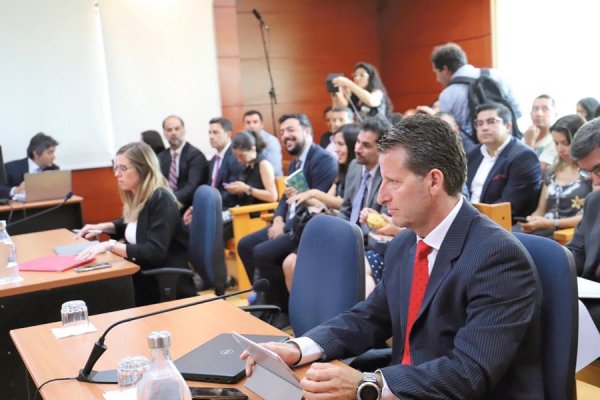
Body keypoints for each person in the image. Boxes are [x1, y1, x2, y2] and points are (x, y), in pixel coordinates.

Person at [242, 114, 543, 399]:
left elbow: (469, 373)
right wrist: (299, 347)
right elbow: (369, 317)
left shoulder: (498, 257)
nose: (382, 196)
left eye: (393, 182)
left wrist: (367, 385)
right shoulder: (405, 244)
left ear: (434, 181)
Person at [237, 113, 337, 325]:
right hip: (288, 223)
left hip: (305, 228)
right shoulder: (295, 161)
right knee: (245, 245)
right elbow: (285, 196)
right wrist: (278, 219)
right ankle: (265, 298)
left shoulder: (323, 160)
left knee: (263, 252)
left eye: (291, 130)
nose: (285, 135)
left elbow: (317, 204)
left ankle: (281, 308)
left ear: (307, 131)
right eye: (282, 132)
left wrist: (286, 225)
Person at [76, 142, 194, 306]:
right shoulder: (140, 197)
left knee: (98, 292)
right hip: (142, 274)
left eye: (123, 168)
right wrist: (102, 227)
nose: (117, 174)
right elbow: (131, 226)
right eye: (116, 168)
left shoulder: (161, 199)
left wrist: (110, 245)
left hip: (160, 282)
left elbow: (154, 251)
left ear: (143, 168)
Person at [282, 123, 360, 290]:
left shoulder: (359, 172)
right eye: (335, 144)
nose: (336, 149)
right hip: (330, 224)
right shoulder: (341, 170)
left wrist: (313, 193)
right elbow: (326, 202)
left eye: (341, 144)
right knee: (289, 264)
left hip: (343, 230)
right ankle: (296, 312)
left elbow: (345, 204)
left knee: (298, 265)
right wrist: (302, 196)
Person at [431, 42, 521, 142]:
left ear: (445, 69)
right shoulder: (496, 75)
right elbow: (517, 111)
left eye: (436, 72)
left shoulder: (447, 95)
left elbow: (447, 133)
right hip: (508, 146)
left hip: (474, 153)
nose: (437, 79)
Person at [518, 114, 591, 237]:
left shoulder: (590, 172)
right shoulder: (552, 170)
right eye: (556, 143)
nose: (560, 149)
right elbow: (541, 210)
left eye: (565, 143)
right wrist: (532, 221)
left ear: (579, 142)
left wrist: (550, 223)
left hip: (572, 235)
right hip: (545, 229)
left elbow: (591, 217)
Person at [467, 102, 541, 220]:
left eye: (491, 122)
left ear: (508, 126)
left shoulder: (523, 157)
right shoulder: (473, 154)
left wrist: (471, 219)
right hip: (469, 219)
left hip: (501, 225)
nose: (484, 128)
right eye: (479, 124)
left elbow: (511, 205)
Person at [566, 118, 600, 330]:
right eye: (588, 173)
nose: (595, 182)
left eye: (598, 169)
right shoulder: (595, 202)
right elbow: (575, 252)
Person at [157, 115, 209, 210]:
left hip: (188, 207)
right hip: (165, 205)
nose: (173, 133)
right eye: (169, 130)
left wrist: (169, 200)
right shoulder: (161, 157)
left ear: (184, 131)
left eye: (177, 129)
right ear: (164, 134)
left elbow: (192, 187)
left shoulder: (196, 155)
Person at [1, 132, 59, 199]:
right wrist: (16, 190)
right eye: (50, 152)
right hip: (19, 208)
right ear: (36, 154)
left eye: (53, 152)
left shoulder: (54, 169)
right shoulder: (10, 168)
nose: (54, 157)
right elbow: (1, 189)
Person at [206, 117, 244, 208]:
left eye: (215, 132)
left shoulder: (236, 156)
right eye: (210, 133)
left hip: (230, 208)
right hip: (215, 206)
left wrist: (209, 204)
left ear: (228, 134)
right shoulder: (214, 159)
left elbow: (233, 192)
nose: (211, 136)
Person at [242, 110, 283, 177]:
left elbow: (275, 170)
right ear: (244, 126)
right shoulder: (243, 142)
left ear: (261, 125)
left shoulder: (272, 141)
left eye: (255, 122)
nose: (252, 126)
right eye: (248, 123)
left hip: (272, 181)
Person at [523, 95, 558, 172]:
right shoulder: (527, 135)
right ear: (530, 113)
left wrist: (529, 143)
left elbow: (536, 171)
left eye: (545, 109)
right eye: (535, 109)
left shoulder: (556, 140)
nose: (539, 113)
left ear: (555, 114)